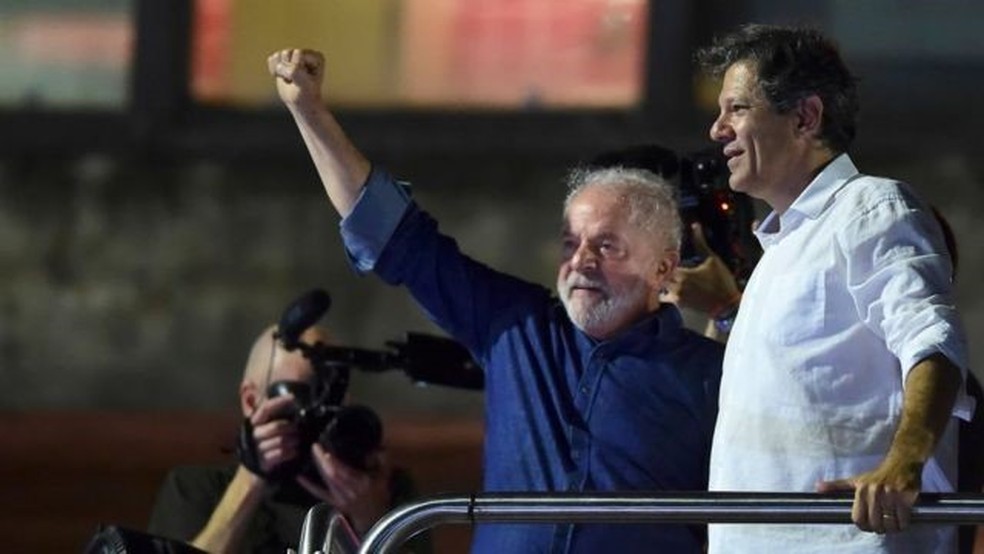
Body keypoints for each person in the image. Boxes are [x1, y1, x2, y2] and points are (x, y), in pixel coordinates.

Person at [266, 48, 724, 553]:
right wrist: (308, 111)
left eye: (607, 246)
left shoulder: (712, 374)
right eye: (571, 243)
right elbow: (394, 236)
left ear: (663, 266)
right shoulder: (517, 327)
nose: (582, 262)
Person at [695, 24, 974, 552]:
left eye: (736, 108)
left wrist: (902, 462)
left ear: (805, 117)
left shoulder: (870, 208)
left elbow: (933, 341)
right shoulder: (779, 251)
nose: (717, 130)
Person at [147, 324, 425, 554]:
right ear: (251, 400)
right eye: (302, 395)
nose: (318, 412)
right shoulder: (197, 489)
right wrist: (250, 483)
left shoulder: (383, 489)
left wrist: (371, 521)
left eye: (331, 396)